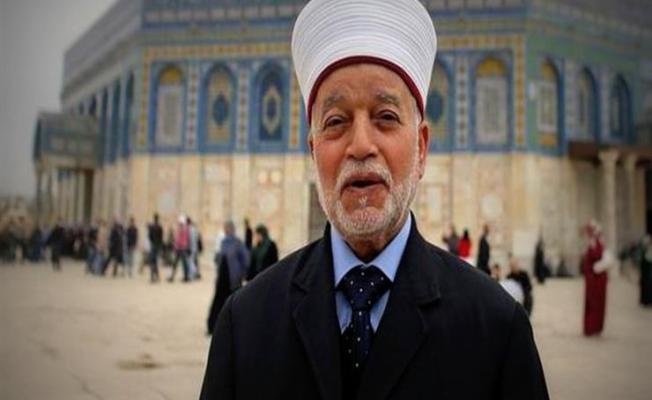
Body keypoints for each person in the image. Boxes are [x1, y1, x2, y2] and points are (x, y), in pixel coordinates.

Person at [200, 1, 548, 398]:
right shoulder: (246, 325)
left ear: (421, 147)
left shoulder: (495, 329)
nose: (361, 145)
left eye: (385, 117)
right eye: (336, 122)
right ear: (313, 151)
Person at [206, 220, 249, 335]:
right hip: (223, 279)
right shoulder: (223, 242)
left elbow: (245, 260)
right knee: (219, 303)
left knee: (234, 304)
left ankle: (236, 329)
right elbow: (218, 259)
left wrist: (242, 274)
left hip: (233, 280)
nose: (225, 230)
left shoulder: (237, 243)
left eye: (226, 228)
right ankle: (213, 327)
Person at [582, 220, 608, 336]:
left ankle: (595, 327)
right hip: (592, 278)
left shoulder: (598, 242)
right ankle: (591, 327)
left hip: (597, 278)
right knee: (592, 302)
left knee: (597, 303)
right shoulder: (592, 242)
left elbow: (598, 256)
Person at [168, 215, 191, 282]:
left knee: (180, 263)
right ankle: (182, 277)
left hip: (181, 248)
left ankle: (181, 277)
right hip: (181, 248)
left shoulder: (183, 229)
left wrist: (176, 246)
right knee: (181, 263)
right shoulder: (184, 229)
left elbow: (179, 239)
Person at [147, 213, 163, 283]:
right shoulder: (159, 227)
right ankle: (156, 276)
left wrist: (152, 242)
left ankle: (152, 277)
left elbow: (149, 236)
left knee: (152, 261)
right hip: (157, 246)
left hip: (153, 245)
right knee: (155, 261)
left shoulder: (152, 227)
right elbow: (161, 238)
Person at [639, 235, 652, 306]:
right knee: (645, 286)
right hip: (645, 273)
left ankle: (647, 301)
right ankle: (645, 301)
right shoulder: (644, 251)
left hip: (648, 273)